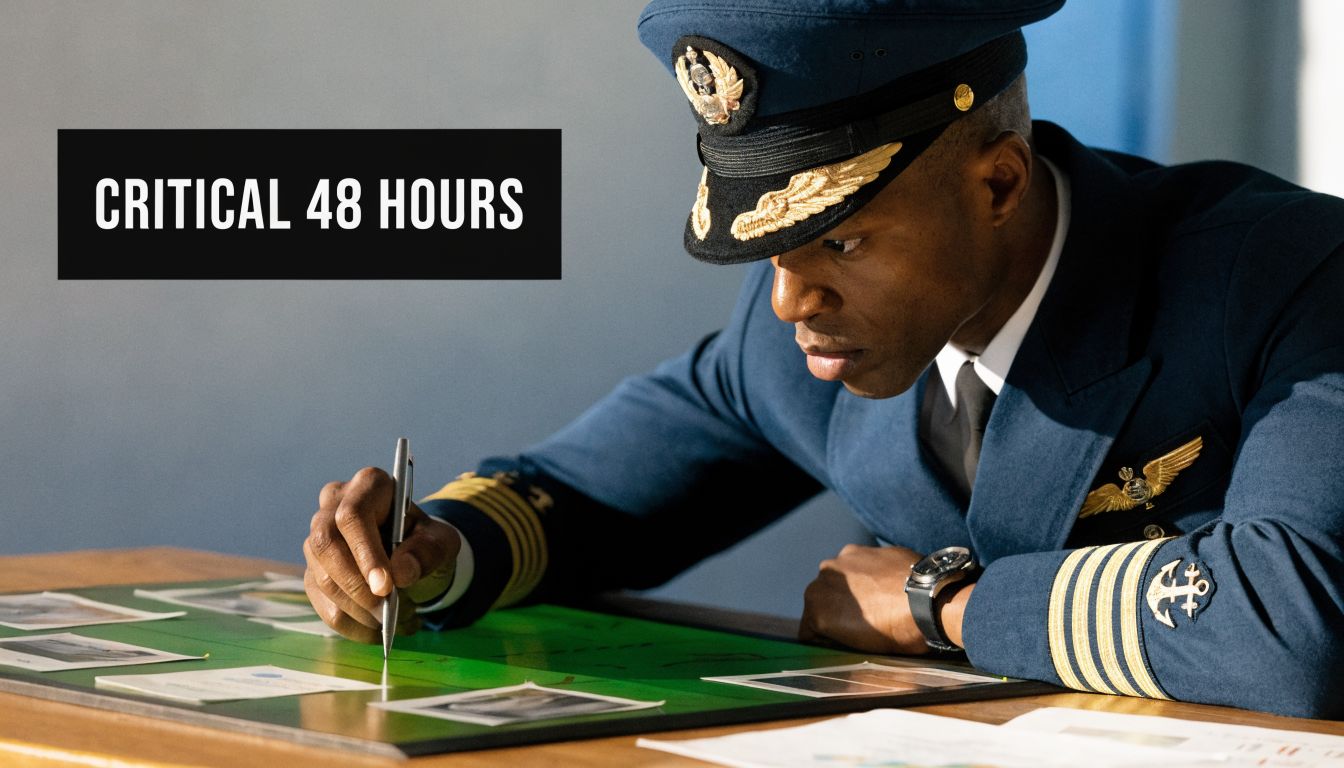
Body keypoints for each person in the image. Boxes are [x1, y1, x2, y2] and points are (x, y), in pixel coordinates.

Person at [302, 0, 1344, 719]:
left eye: (840, 241)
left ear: (998, 183)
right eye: (772, 253)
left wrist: (948, 602)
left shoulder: (1287, 278)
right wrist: (431, 552)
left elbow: (1292, 626)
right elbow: (589, 493)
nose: (791, 299)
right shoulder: (804, 329)